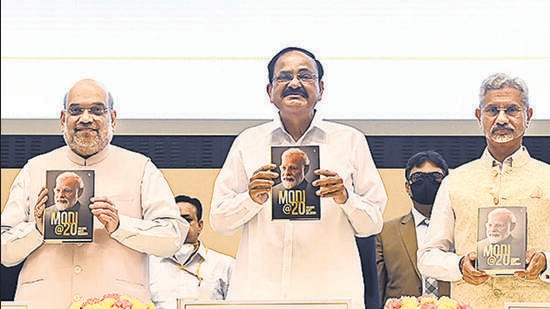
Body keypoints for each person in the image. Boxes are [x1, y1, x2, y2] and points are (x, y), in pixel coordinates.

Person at [210, 47, 387, 309]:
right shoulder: (248, 142)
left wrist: (345, 198)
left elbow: (372, 224)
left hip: (331, 294)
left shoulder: (350, 141)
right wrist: (250, 199)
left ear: (321, 89)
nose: (294, 83)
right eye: (284, 77)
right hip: (259, 294)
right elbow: (220, 222)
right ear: (270, 92)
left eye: (305, 76)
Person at [1, 78, 188, 309]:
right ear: (63, 119)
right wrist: (37, 229)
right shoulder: (34, 169)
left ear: (113, 118)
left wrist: (121, 226)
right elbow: (4, 251)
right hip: (45, 301)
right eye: (76, 110)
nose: (86, 118)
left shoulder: (140, 168)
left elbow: (172, 238)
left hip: (118, 302)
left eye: (97, 110)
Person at [417, 73, 550, 308]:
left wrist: (546, 263)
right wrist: (459, 266)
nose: (501, 119)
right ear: (479, 117)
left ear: (528, 116)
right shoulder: (455, 180)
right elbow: (428, 256)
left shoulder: (547, 178)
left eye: (511, 110)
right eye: (491, 110)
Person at [376, 151, 450, 306]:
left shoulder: (462, 229)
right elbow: (377, 289)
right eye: (418, 178)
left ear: (446, 185)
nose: (427, 182)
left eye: (435, 177)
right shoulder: (385, 232)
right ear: (407, 187)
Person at [149, 194, 235, 308]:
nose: (180, 226)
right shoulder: (149, 265)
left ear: (200, 226)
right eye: (175, 221)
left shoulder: (225, 265)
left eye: (187, 220)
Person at [43, 171, 93, 240]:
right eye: (58, 190)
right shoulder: (45, 214)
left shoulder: (89, 215)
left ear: (79, 193)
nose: (60, 195)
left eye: (67, 191)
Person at [271, 147, 318, 219]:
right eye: (283, 168)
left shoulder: (316, 194)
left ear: (306, 169)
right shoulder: (272, 193)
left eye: (293, 168)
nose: (286, 173)